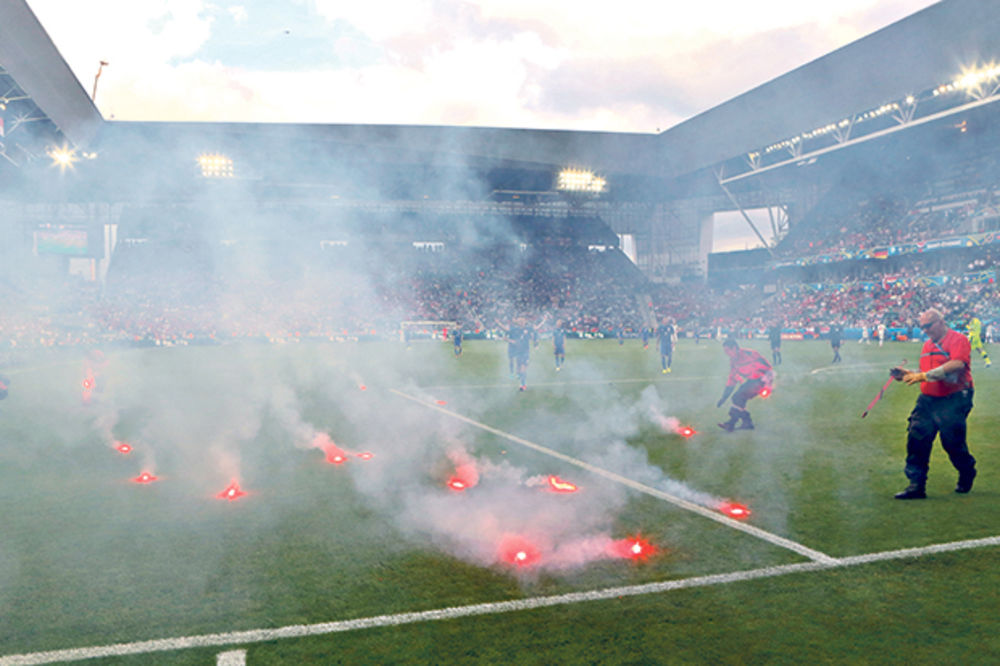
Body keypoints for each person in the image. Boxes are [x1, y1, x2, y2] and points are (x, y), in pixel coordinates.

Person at [891, 308, 976, 499]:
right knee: (916, 437)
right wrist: (908, 374)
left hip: (954, 397)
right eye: (922, 327)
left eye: (928, 326)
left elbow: (957, 364)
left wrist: (923, 376)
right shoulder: (927, 345)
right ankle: (916, 485)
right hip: (928, 399)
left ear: (940, 321)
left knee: (952, 442)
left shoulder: (958, 339)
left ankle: (967, 471)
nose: (925, 330)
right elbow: (926, 372)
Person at [716, 338, 773, 432]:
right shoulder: (733, 361)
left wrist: (768, 385)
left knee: (738, 397)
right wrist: (724, 397)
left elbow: (768, 368)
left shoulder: (751, 354)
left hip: (762, 380)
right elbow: (732, 379)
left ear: (734, 348)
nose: (726, 353)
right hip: (752, 381)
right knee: (737, 398)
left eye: (727, 350)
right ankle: (747, 423)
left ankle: (731, 424)